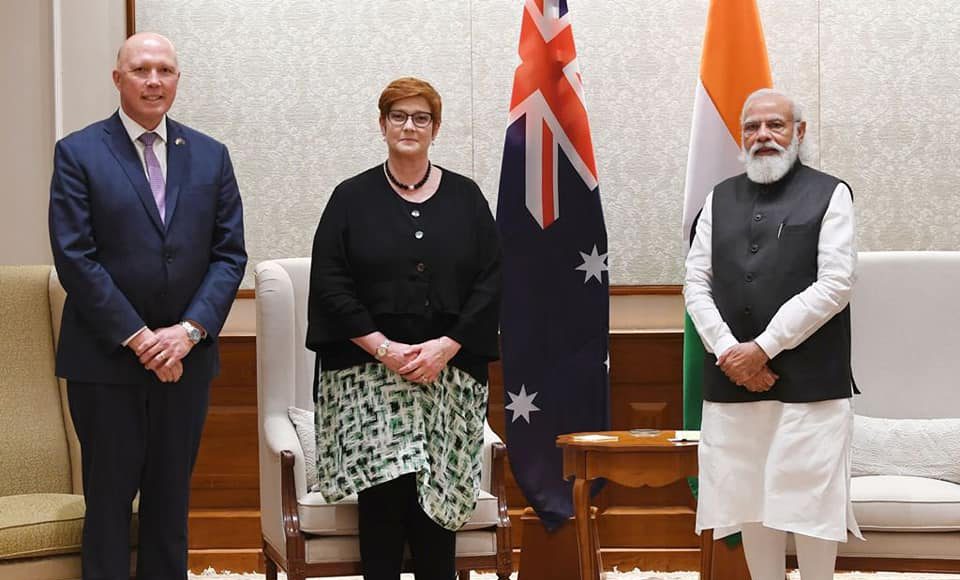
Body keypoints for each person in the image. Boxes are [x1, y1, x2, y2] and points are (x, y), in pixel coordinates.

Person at [48, 32, 246, 580]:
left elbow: (230, 256)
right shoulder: (78, 153)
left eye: (165, 70)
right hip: (105, 363)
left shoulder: (210, 155)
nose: (154, 80)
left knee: (169, 506)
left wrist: (188, 332)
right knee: (109, 507)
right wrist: (141, 338)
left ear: (178, 79)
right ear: (118, 79)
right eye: (141, 70)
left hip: (187, 361)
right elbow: (75, 258)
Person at [306, 77, 501, 580]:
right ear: (381, 124)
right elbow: (330, 283)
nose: (409, 126)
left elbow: (491, 280)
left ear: (435, 128)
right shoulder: (350, 197)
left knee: (435, 503)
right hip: (368, 377)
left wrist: (446, 347)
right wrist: (385, 349)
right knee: (385, 502)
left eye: (421, 117)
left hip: (447, 372)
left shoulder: (467, 197)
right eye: (398, 116)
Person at [684, 88, 862, 580]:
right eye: (751, 127)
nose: (762, 135)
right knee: (749, 500)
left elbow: (836, 284)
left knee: (810, 505)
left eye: (775, 125)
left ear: (798, 133)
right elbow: (695, 281)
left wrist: (761, 349)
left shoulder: (832, 193)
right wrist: (728, 352)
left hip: (811, 388)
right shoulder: (719, 197)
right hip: (732, 382)